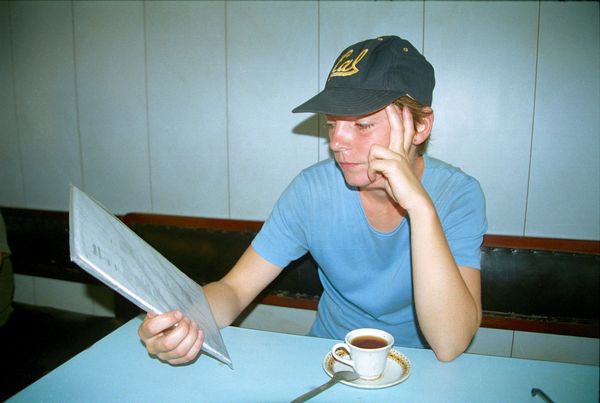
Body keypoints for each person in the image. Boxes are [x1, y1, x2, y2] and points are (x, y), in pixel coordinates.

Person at [138, 35, 487, 364]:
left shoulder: (458, 195)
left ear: (421, 126)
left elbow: (449, 343)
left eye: (362, 125)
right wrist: (183, 322)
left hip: (417, 369)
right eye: (332, 124)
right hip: (330, 361)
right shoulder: (312, 191)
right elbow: (234, 288)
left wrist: (419, 208)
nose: (337, 142)